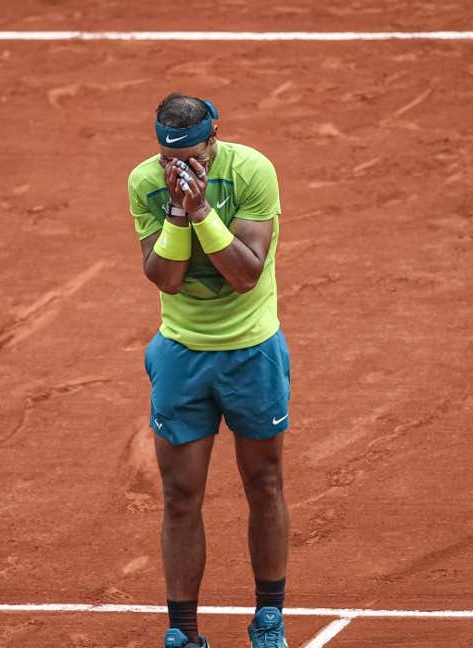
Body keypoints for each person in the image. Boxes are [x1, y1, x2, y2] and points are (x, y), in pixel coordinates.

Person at [126, 93, 291, 648]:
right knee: (179, 495)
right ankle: (184, 633)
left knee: (264, 483)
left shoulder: (253, 171)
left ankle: (268, 621)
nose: (182, 170)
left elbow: (245, 273)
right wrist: (177, 209)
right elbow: (167, 278)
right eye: (171, 160)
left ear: (214, 136)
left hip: (252, 351)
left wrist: (200, 211)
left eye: (194, 158)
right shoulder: (145, 183)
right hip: (182, 354)